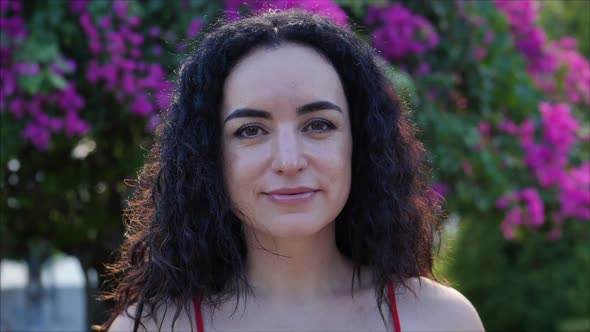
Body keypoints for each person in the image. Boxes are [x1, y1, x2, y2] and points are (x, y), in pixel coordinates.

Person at [102, 9, 485, 332]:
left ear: (360, 143)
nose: (289, 161)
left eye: (318, 125)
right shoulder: (152, 327)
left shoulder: (440, 320)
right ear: (210, 156)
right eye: (251, 130)